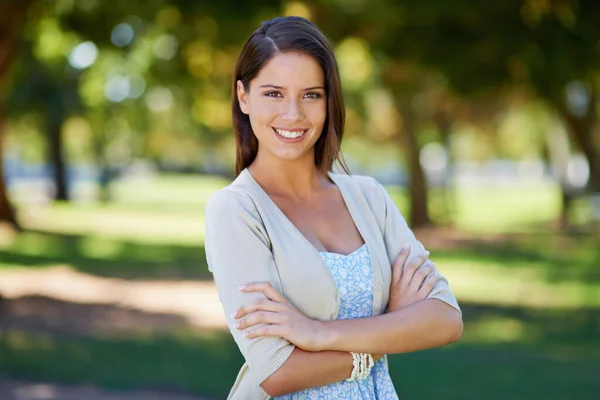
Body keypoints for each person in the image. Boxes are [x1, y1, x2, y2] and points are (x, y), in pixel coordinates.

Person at [204, 16, 462, 400]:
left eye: (311, 95)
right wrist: (392, 326)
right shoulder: (235, 211)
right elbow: (277, 372)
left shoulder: (369, 197)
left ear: (329, 100)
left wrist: (318, 334)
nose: (293, 114)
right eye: (273, 93)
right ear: (243, 96)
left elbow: (445, 319)